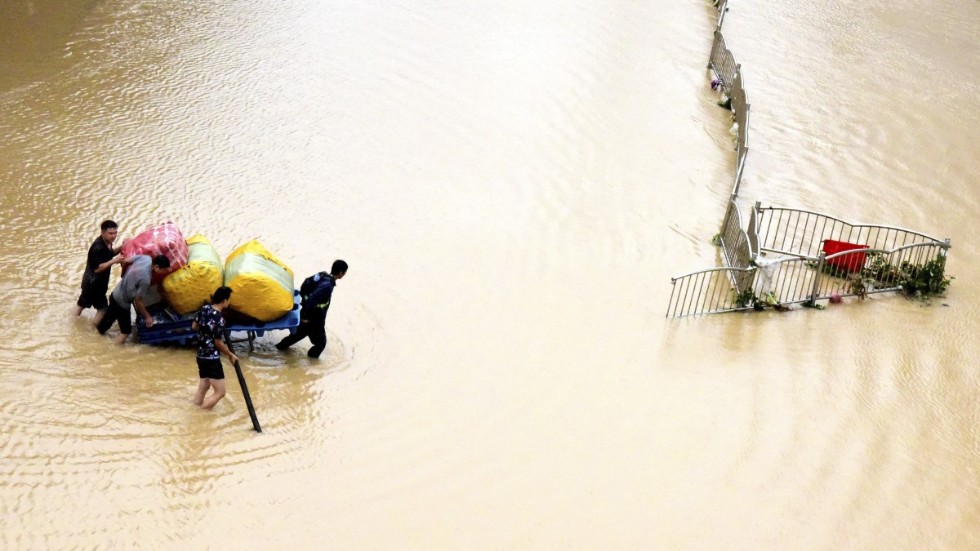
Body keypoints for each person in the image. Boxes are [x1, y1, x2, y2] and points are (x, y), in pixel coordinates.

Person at [276, 259, 348, 358]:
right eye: (344, 273)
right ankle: (311, 363)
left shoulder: (322, 275)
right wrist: (305, 316)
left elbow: (305, 283)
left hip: (307, 315)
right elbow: (313, 299)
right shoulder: (327, 286)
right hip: (314, 319)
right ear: (341, 273)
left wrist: (304, 309)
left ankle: (278, 349)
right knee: (321, 343)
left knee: (295, 336)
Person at [96, 254, 171, 344]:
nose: (165, 272)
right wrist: (148, 317)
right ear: (156, 267)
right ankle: (111, 350)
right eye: (164, 270)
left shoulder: (146, 258)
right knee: (126, 332)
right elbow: (138, 301)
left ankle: (96, 339)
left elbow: (126, 261)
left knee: (103, 327)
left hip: (115, 294)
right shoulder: (145, 279)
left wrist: (125, 276)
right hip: (122, 304)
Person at [191, 286, 239, 410]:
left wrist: (205, 331)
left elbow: (194, 326)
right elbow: (218, 342)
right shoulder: (219, 319)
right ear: (224, 301)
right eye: (229, 300)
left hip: (200, 355)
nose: (229, 302)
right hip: (211, 358)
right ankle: (201, 415)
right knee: (220, 392)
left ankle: (193, 410)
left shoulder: (205, 309)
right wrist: (230, 354)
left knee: (204, 387)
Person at [74, 220, 127, 325]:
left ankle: (73, 324)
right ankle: (93, 331)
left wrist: (122, 247)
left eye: (115, 233)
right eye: (110, 233)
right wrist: (114, 261)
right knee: (102, 309)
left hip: (92, 282)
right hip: (94, 283)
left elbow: (109, 254)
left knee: (81, 304)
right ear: (103, 233)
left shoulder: (107, 243)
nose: (113, 236)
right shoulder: (97, 248)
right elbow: (98, 268)